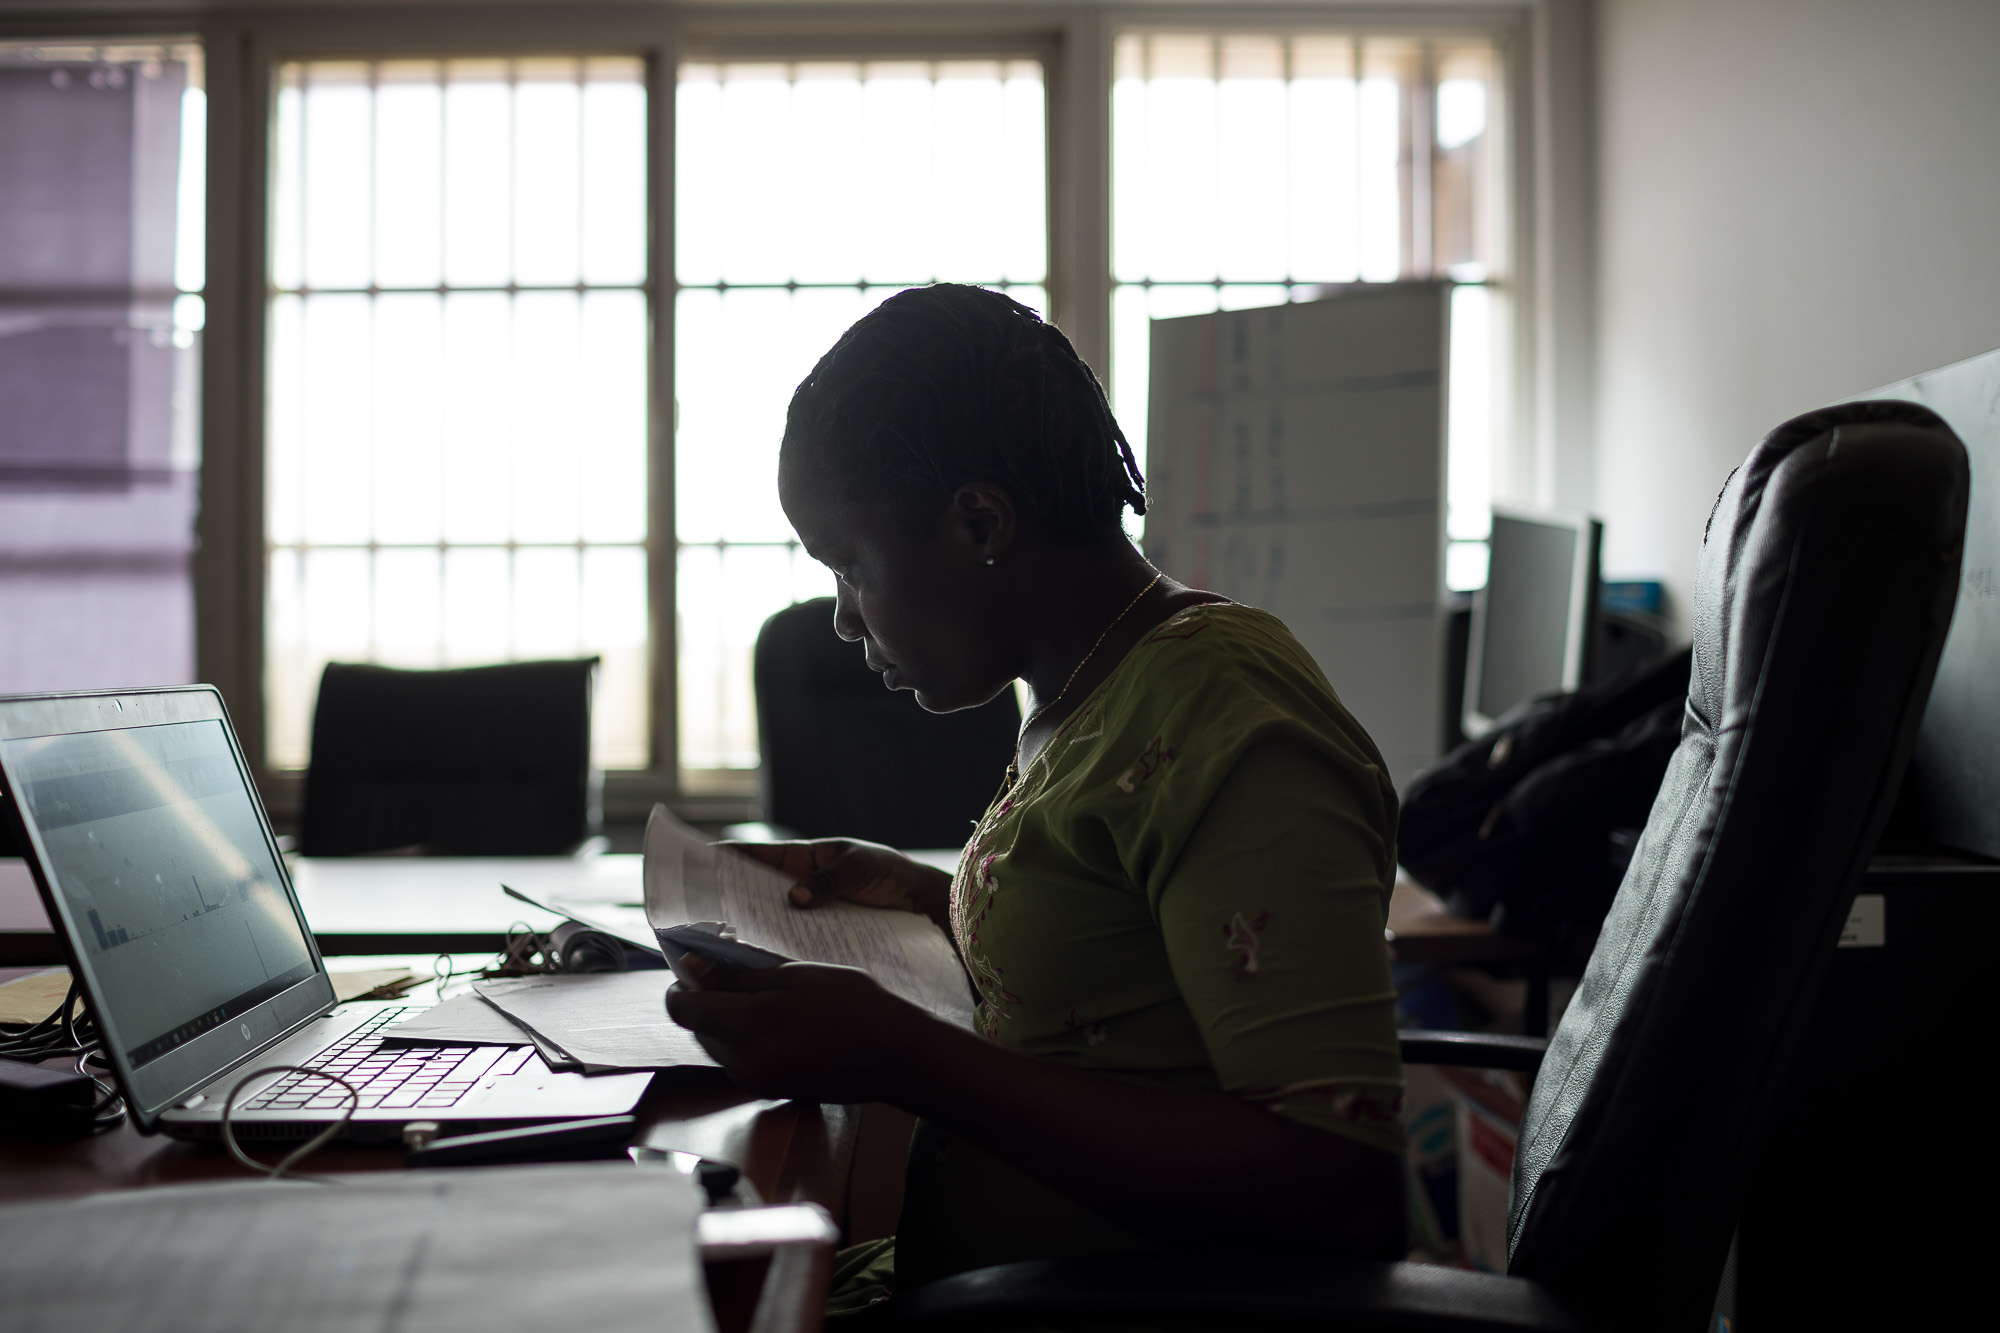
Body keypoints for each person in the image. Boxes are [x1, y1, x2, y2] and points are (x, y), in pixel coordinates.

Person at [665, 283, 1407, 1306]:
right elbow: (1115, 979)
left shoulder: (1224, 719)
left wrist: (906, 1059)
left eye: (850, 565)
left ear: (978, 520)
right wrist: (926, 896)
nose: (842, 619)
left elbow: (1337, 1185)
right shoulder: (1085, 685)